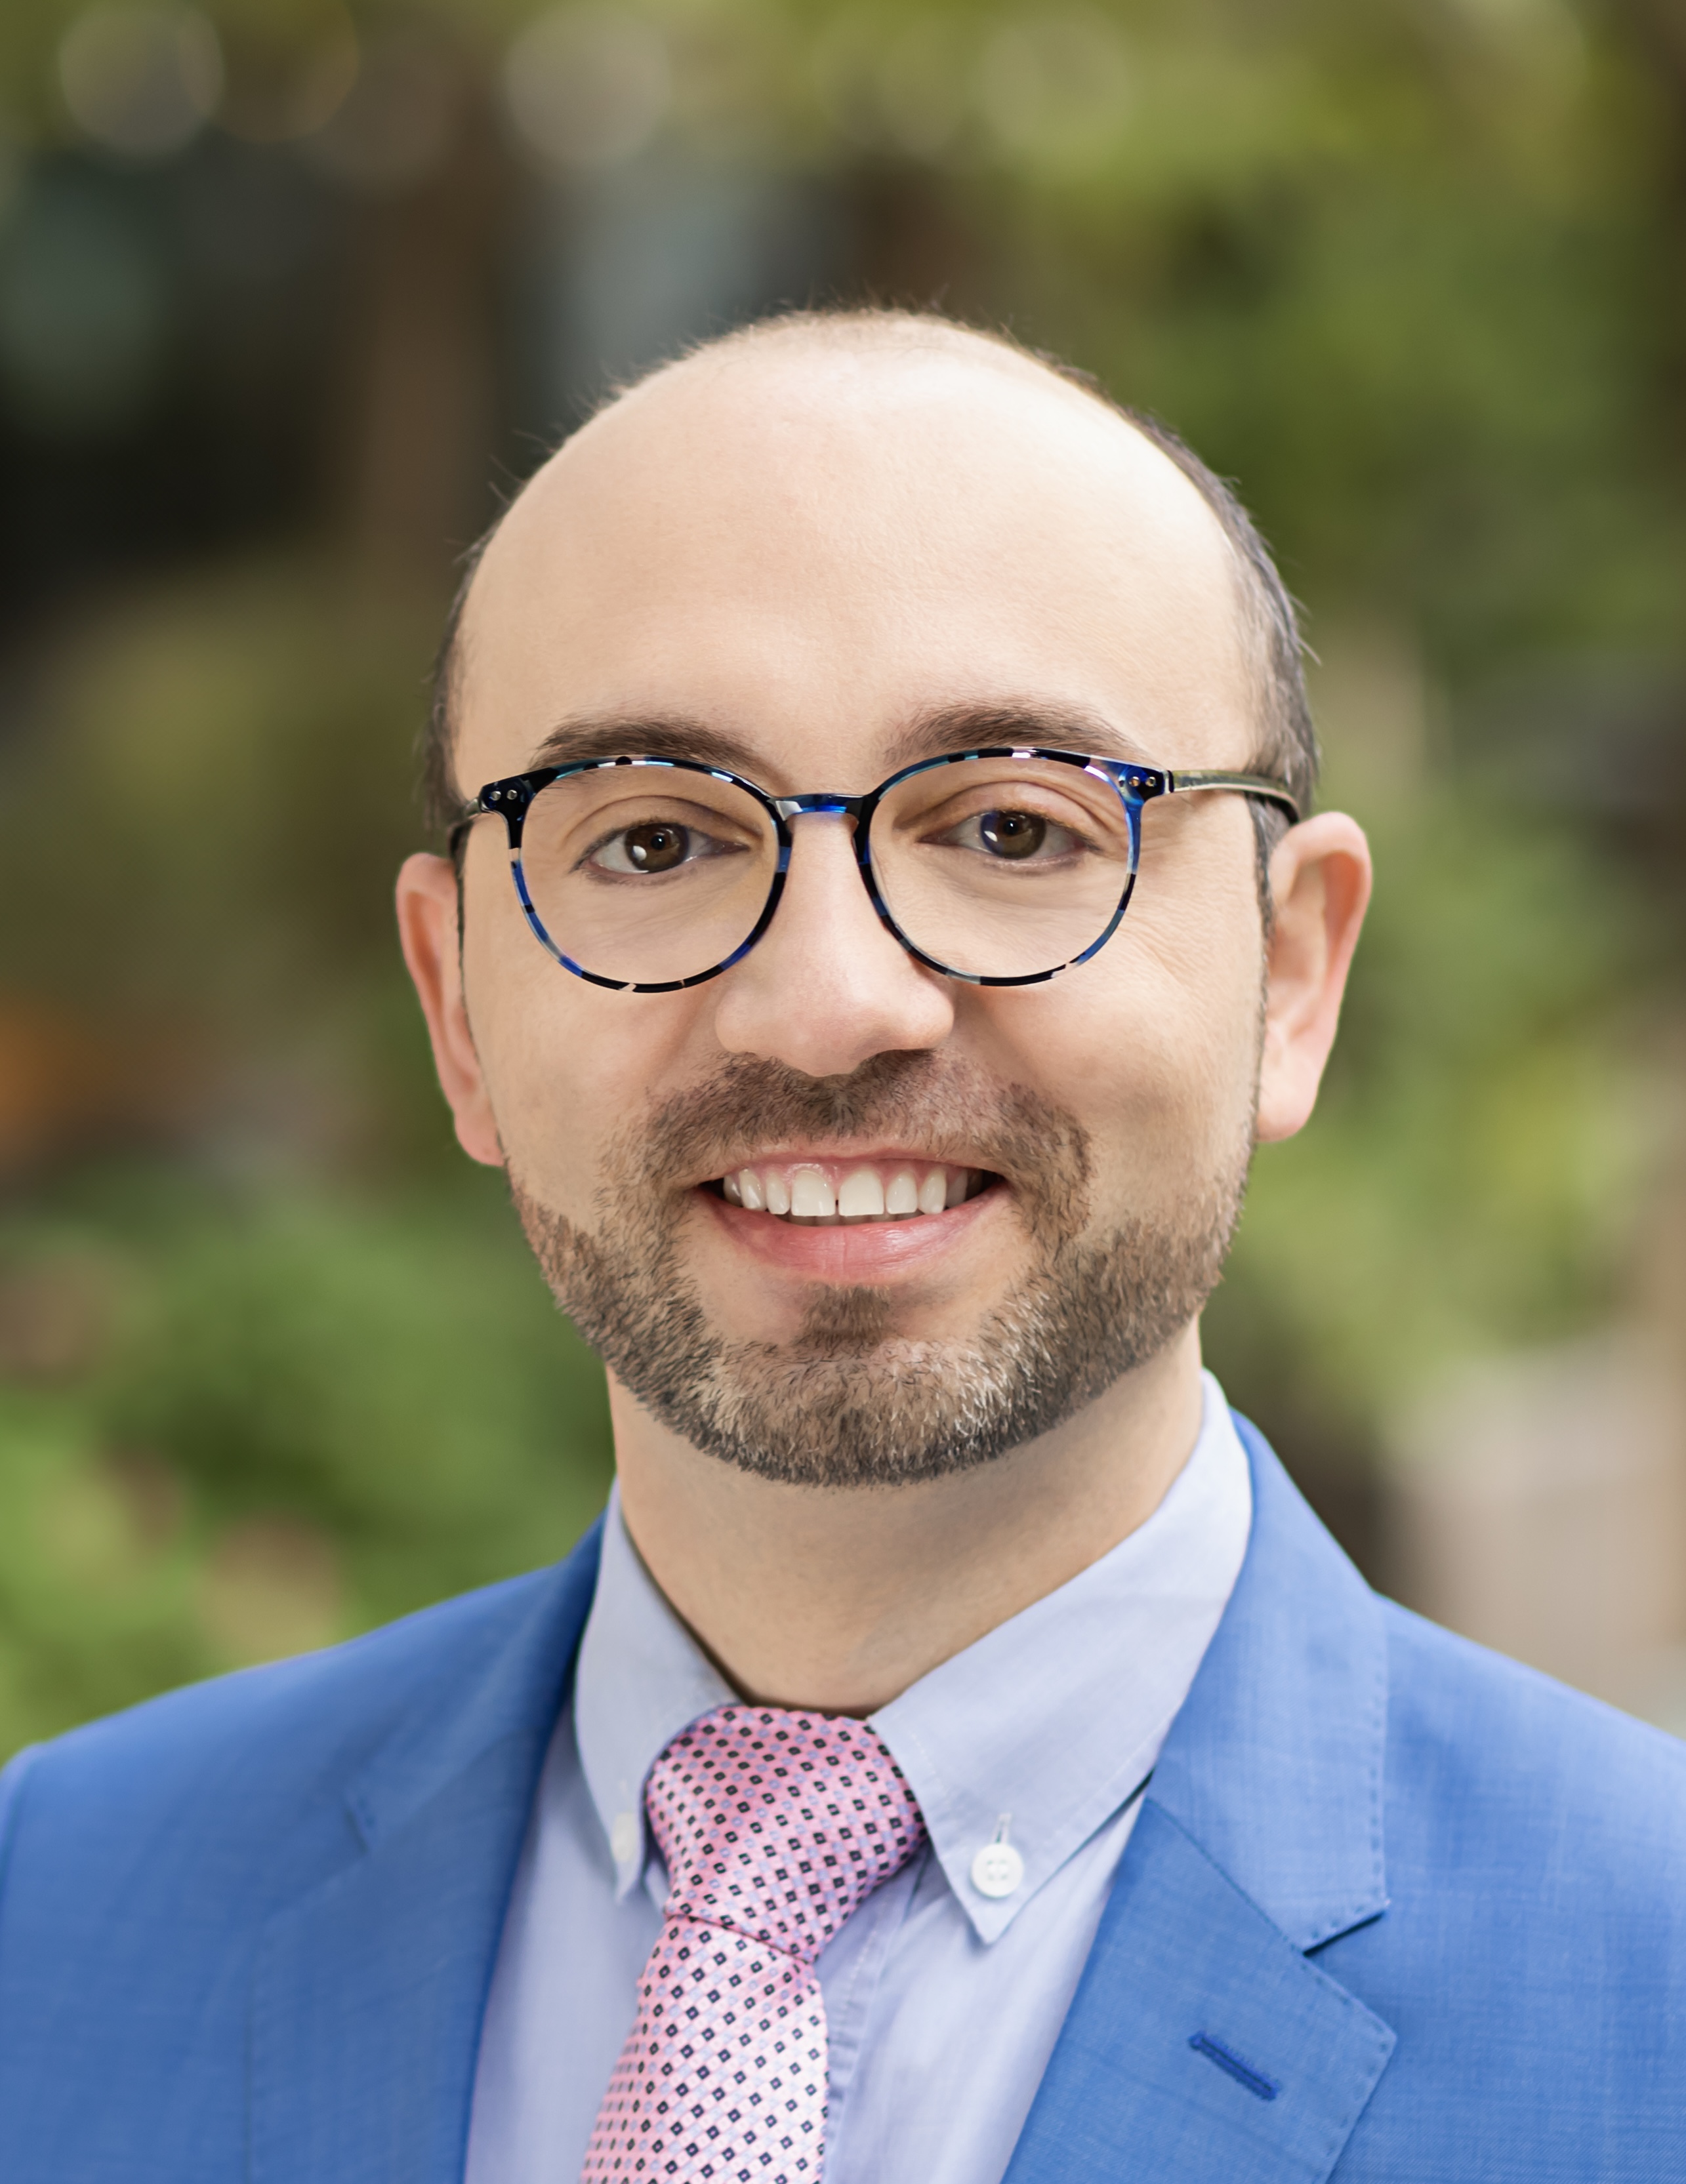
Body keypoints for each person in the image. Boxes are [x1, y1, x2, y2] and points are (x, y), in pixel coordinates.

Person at [1, 309, 1681, 2184]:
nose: (825, 1003)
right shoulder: (52, 1917)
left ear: (1289, 974)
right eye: (651, 840)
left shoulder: (1650, 1988)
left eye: (1012, 824)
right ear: (455, 1004)